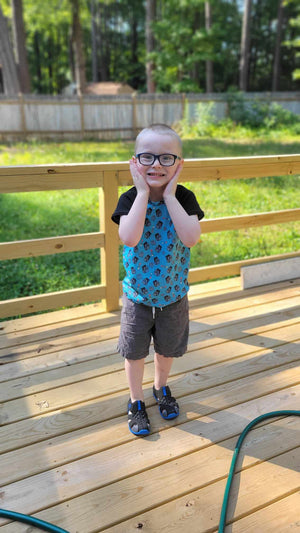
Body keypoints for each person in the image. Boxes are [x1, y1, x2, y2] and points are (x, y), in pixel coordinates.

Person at [111, 123, 204, 436]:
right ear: (135, 162)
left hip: (174, 296)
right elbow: (129, 236)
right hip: (137, 297)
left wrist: (170, 196)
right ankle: (136, 400)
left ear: (178, 165)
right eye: (147, 157)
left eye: (166, 158)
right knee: (135, 353)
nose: (156, 164)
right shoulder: (129, 199)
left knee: (166, 351)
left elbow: (191, 238)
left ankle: (160, 387)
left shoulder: (185, 198)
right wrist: (141, 193)